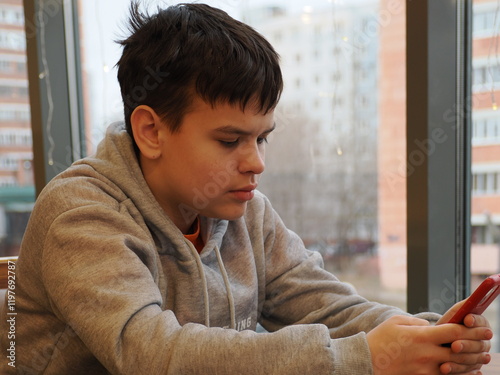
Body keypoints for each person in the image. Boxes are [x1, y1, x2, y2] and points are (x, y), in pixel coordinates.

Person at [0, 2, 492, 374]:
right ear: (151, 131)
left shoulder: (244, 211)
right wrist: (362, 358)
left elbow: (327, 305)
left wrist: (426, 334)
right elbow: (150, 353)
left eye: (262, 138)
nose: (256, 162)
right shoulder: (80, 213)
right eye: (230, 139)